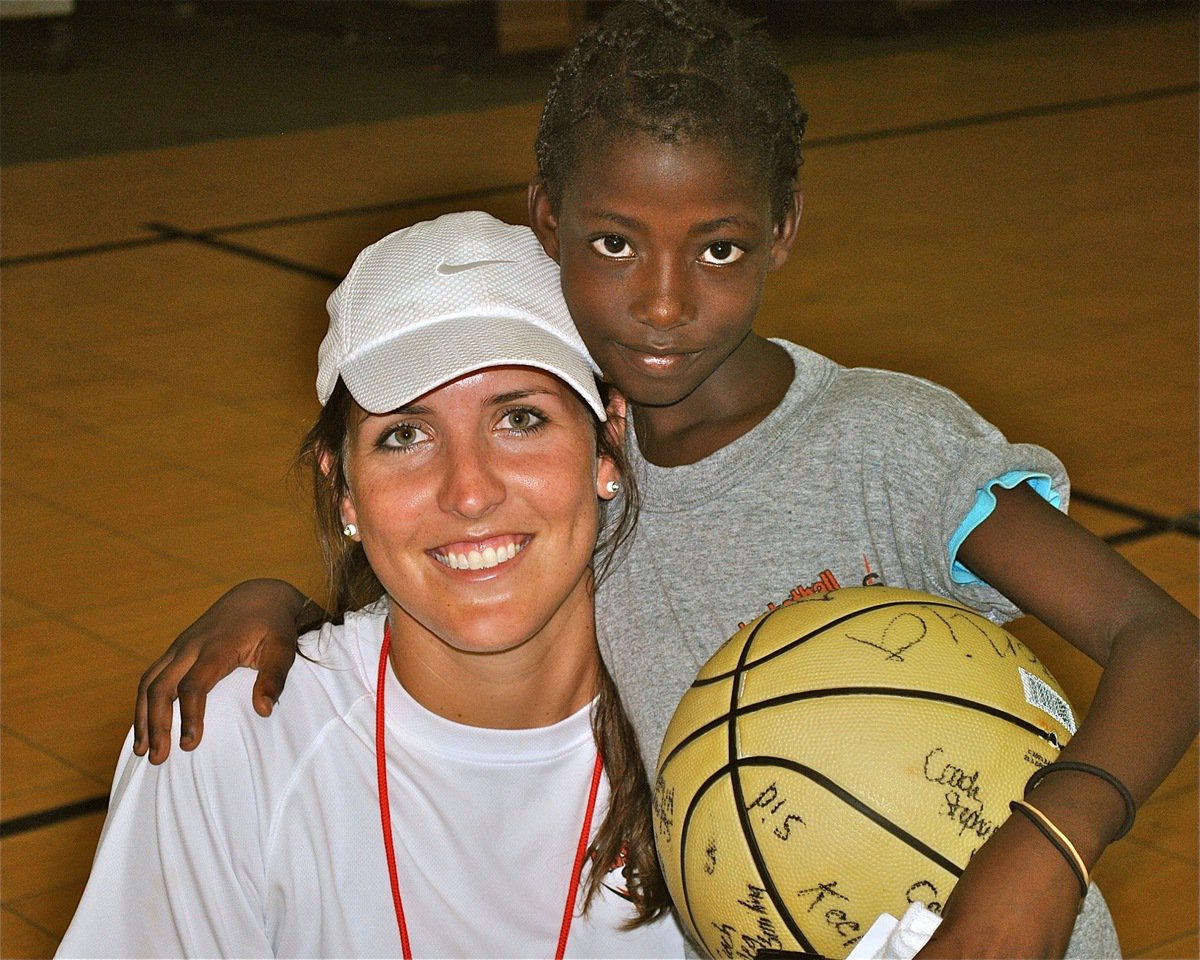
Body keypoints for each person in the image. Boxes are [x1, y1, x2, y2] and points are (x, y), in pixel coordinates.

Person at [132, 3, 1199, 959]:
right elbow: (450, 599)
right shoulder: (573, 465)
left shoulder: (886, 443)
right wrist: (280, 605)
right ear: (548, 223)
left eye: (720, 251)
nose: (662, 304)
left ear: (781, 232)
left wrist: (1052, 843)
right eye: (614, 243)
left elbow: (1166, 644)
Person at [58, 211, 687, 958]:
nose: (469, 490)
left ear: (608, 445)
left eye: (520, 419)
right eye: (405, 435)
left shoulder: (722, 729)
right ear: (344, 490)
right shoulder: (226, 740)